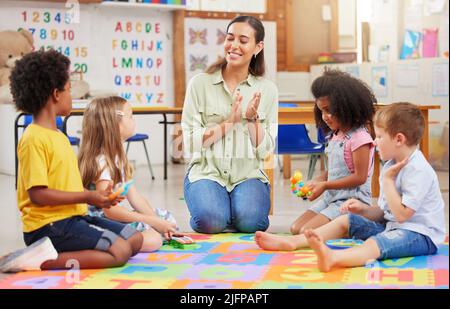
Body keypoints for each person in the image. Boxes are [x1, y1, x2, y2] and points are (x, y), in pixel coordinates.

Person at [255, 103, 446, 272]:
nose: (374, 141)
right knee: (347, 220)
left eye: (379, 136)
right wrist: (364, 210)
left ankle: (335, 258)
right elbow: (387, 212)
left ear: (399, 139)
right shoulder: (390, 165)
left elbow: (404, 215)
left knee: (376, 243)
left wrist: (387, 182)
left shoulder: (418, 170)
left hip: (420, 234)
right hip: (392, 226)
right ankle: (292, 242)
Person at [0, 50, 142, 273]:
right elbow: (37, 195)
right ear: (56, 94)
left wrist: (101, 197)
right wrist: (88, 195)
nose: (71, 95)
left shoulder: (59, 136)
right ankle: (38, 260)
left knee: (134, 239)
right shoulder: (33, 138)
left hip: (73, 217)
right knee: (120, 252)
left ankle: (54, 253)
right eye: (68, 90)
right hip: (48, 227)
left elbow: (66, 185)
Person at [181, 15, 278, 234]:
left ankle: (232, 209)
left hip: (248, 174)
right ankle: (219, 208)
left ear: (258, 47)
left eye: (243, 41)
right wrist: (229, 123)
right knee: (210, 222)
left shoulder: (268, 90)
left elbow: (266, 150)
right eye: (230, 38)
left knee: (252, 223)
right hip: (207, 172)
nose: (234, 45)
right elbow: (189, 141)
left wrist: (253, 120)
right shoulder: (200, 84)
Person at [78, 96, 182, 252]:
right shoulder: (102, 162)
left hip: (111, 218)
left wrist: (156, 220)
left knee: (167, 219)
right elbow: (108, 210)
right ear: (115, 124)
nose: (134, 120)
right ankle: (109, 245)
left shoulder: (117, 157)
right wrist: (152, 222)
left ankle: (122, 241)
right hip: (97, 222)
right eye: (131, 116)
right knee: (153, 239)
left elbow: (135, 198)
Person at [290, 69, 376, 234]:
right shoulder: (336, 135)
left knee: (306, 232)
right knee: (296, 229)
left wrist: (325, 185)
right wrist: (317, 181)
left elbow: (360, 177)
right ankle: (337, 227)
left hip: (351, 202)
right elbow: (338, 171)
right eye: (321, 110)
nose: (325, 116)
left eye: (329, 110)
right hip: (331, 199)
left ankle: (355, 225)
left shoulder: (359, 137)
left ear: (347, 107)